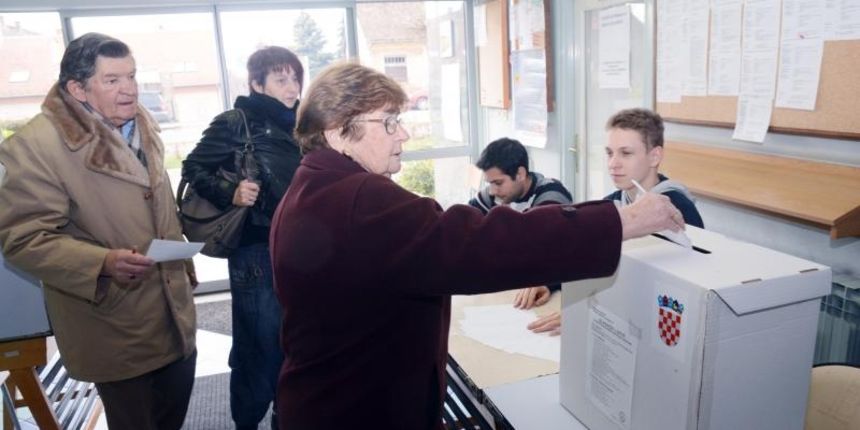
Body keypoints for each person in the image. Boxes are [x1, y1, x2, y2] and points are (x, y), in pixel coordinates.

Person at [268, 62, 684, 429]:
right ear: (339, 130)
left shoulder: (312, 185)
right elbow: (479, 242)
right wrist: (620, 220)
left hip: (328, 399)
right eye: (390, 121)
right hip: (357, 411)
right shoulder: (358, 198)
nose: (405, 133)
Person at [0, 33, 197, 429]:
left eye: (132, 76)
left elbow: (158, 205)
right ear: (78, 88)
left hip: (172, 311)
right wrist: (102, 263)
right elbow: (22, 237)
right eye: (112, 80)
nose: (129, 89)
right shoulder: (36, 146)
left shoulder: (143, 122)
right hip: (113, 320)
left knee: (171, 418)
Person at [181, 46, 303, 430]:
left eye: (296, 78)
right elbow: (193, 166)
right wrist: (229, 192)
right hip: (256, 252)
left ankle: (287, 416)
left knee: (295, 340)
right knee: (259, 345)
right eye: (281, 79)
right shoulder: (237, 122)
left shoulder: (302, 123)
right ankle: (247, 421)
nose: (292, 87)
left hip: (299, 249)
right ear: (256, 83)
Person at [527, 108, 705, 336]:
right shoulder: (612, 204)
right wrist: (549, 283)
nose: (613, 163)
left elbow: (678, 295)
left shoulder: (677, 209)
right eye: (609, 153)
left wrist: (589, 311)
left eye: (626, 153)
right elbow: (588, 259)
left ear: (655, 156)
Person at [469, 137, 573, 311]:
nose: (492, 191)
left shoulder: (553, 195)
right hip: (509, 291)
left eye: (498, 183)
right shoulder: (495, 194)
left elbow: (551, 253)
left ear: (520, 174)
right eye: (489, 183)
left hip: (547, 297)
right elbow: (466, 229)